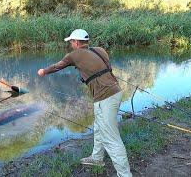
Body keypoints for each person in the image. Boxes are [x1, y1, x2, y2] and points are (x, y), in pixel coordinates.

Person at [37, 29, 132, 177]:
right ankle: (97, 158)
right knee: (99, 127)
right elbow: (99, 69)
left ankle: (124, 175)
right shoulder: (100, 50)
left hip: (105, 97)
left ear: (76, 42)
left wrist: (43, 71)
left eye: (71, 42)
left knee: (111, 138)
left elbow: (57, 66)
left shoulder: (74, 55)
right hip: (114, 92)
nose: (70, 44)